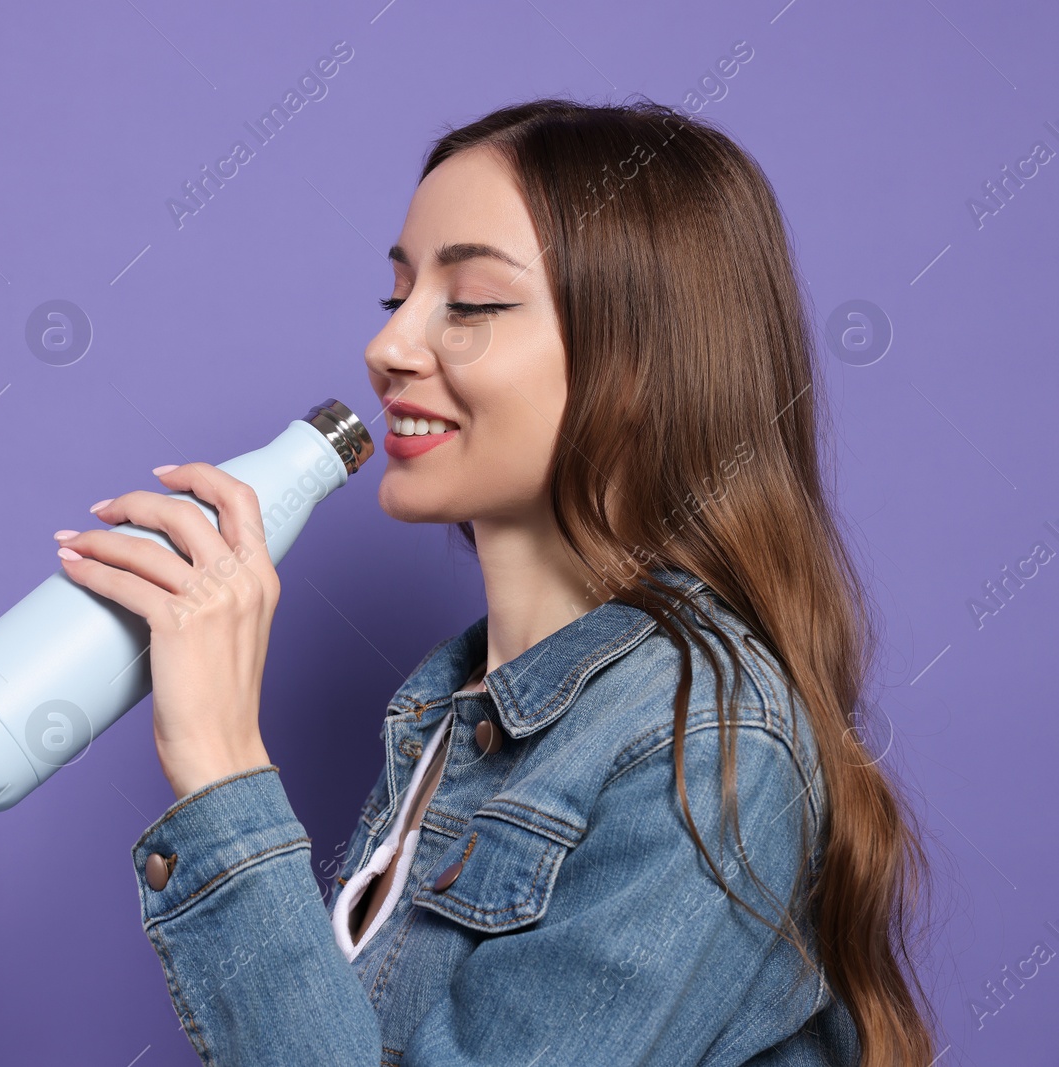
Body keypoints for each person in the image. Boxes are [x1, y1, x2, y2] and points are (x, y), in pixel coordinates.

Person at [50, 98, 936, 1065]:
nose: (387, 347)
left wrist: (220, 763)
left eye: (468, 303)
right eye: (398, 299)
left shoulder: (702, 739)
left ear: (640, 360)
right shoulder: (451, 710)